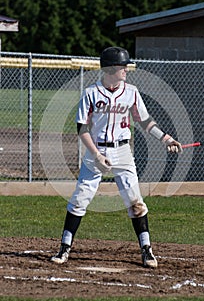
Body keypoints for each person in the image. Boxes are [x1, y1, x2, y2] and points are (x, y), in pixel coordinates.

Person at [51, 46, 182, 268]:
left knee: (135, 201)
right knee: (80, 198)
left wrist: (166, 139)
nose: (126, 71)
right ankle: (64, 248)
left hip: (122, 151)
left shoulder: (131, 91)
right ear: (111, 69)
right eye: (123, 67)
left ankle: (146, 250)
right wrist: (96, 155)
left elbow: (145, 121)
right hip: (96, 150)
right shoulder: (91, 93)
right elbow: (82, 129)